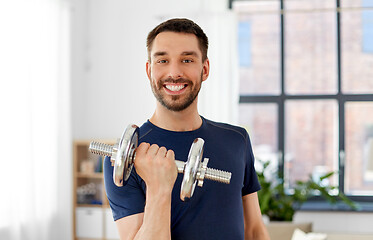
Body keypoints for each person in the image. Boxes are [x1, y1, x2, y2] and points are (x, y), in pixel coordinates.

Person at [104, 18, 270, 240]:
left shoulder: (237, 140)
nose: (174, 72)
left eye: (187, 60)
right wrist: (158, 187)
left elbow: (254, 230)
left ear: (205, 69)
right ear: (149, 70)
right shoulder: (124, 159)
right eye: (162, 60)